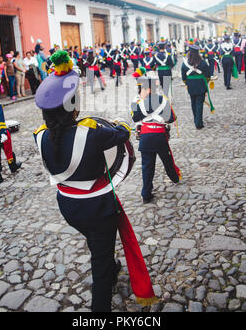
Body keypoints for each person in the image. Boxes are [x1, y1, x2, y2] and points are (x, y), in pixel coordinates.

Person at [33, 49, 157, 311]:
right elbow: (122, 134)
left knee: (97, 244)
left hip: (68, 207)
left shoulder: (39, 135)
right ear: (73, 106)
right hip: (98, 208)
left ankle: (111, 267)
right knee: (99, 267)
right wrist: (119, 123)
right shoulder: (91, 131)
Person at [130, 73, 181, 204]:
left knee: (147, 166)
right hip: (160, 136)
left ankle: (146, 194)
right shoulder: (163, 100)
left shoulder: (138, 103)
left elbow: (135, 118)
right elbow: (171, 119)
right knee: (167, 160)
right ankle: (175, 178)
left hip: (146, 137)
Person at [181, 44, 212, 129]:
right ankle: (198, 123)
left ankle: (196, 120)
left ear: (189, 53)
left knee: (193, 103)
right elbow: (208, 75)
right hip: (201, 85)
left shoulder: (184, 64)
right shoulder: (202, 62)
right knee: (199, 104)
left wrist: (187, 83)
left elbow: (183, 77)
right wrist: (206, 82)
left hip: (191, 85)